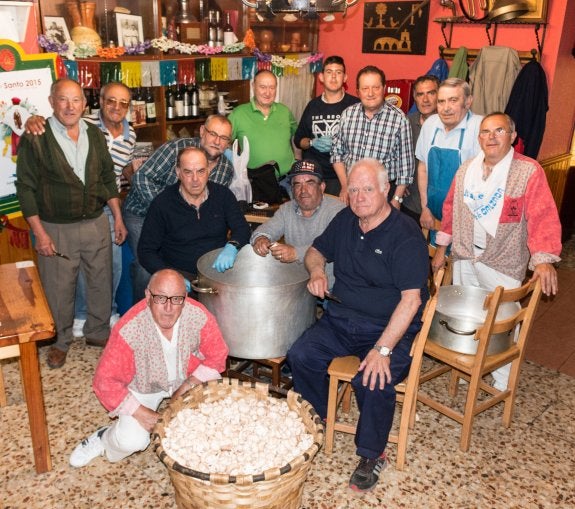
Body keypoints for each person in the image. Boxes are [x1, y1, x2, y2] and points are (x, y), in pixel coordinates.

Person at [287, 158, 429, 493]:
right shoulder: (346, 220)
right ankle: (317, 417)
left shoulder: (405, 235)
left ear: (385, 190)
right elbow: (314, 252)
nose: (359, 196)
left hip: (387, 328)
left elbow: (411, 302)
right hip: (341, 319)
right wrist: (318, 272)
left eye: (367, 189)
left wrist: (383, 349)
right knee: (301, 354)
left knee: (374, 378)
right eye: (353, 189)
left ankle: (371, 453)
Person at [432, 112, 562, 390]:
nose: (491, 137)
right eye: (485, 132)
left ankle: (501, 383)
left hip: (503, 261)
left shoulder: (528, 171)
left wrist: (543, 259)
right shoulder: (466, 169)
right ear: (479, 138)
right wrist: (442, 248)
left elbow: (543, 216)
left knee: (503, 324)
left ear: (512, 136)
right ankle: (468, 368)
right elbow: (450, 209)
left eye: (499, 131)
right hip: (466, 255)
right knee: (468, 318)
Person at [15, 78, 127, 369]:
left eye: (76, 100)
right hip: (55, 227)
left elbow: (106, 179)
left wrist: (116, 216)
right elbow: (25, 189)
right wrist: (39, 233)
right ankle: (60, 341)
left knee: (101, 281)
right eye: (63, 100)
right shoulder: (36, 137)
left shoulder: (94, 133)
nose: (70, 106)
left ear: (84, 104)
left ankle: (98, 332)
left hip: (95, 223)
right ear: (51, 102)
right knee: (58, 288)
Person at [68, 269, 229, 468]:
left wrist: (187, 385)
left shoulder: (198, 315)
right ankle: (104, 438)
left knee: (215, 429)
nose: (169, 308)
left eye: (177, 299)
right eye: (161, 298)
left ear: (186, 298)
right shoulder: (129, 328)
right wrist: (141, 412)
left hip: (185, 377)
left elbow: (218, 354)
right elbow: (105, 381)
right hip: (143, 384)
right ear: (148, 296)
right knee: (133, 441)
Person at [123, 114, 234, 301]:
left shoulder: (226, 170)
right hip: (141, 211)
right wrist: (168, 214)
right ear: (201, 132)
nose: (217, 141)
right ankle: (140, 313)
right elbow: (142, 177)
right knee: (146, 266)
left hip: (181, 221)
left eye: (224, 138)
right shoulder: (175, 149)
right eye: (213, 134)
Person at [138, 147, 251, 282]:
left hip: (218, 271)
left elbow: (242, 228)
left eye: (201, 171)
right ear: (178, 172)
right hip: (179, 275)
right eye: (188, 172)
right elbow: (146, 251)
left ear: (209, 170)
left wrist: (232, 246)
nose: (195, 179)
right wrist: (169, 275)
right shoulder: (162, 203)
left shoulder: (223, 195)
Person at [251, 160, 345, 288]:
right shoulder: (287, 209)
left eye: (309, 183)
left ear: (321, 187)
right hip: (297, 285)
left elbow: (337, 246)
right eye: (297, 184)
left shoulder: (337, 210)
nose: (303, 190)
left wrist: (296, 253)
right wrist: (261, 238)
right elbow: (265, 229)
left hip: (331, 286)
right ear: (292, 189)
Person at [331, 65, 414, 206]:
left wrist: (397, 199)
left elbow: (406, 168)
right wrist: (345, 187)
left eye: (375, 87)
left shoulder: (400, 120)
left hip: (383, 193)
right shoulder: (347, 115)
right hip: (351, 190)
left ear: (384, 88)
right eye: (365, 88)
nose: (370, 93)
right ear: (358, 92)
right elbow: (336, 154)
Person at [416, 78, 482, 233]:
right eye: (441, 101)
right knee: (434, 255)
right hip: (434, 214)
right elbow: (423, 169)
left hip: (467, 219)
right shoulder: (430, 124)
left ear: (468, 101)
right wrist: (425, 208)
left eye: (453, 100)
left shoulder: (480, 127)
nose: (446, 108)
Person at [294, 56, 359, 196]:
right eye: (329, 72)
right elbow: (299, 140)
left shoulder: (355, 106)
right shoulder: (312, 106)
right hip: (315, 176)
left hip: (344, 177)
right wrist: (312, 142)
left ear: (345, 77)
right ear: (321, 77)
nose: (334, 77)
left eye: (338, 72)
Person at [228, 69, 298, 179]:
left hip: (288, 179)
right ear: (253, 86)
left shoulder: (284, 111)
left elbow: (296, 136)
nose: (267, 92)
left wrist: (297, 161)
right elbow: (224, 142)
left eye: (272, 87)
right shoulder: (238, 114)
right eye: (263, 87)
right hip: (256, 183)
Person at [401, 75, 439, 223]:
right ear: (414, 97)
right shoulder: (406, 123)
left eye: (431, 93)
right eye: (420, 94)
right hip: (410, 202)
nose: (425, 99)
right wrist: (400, 183)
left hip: (440, 204)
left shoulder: (449, 125)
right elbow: (396, 155)